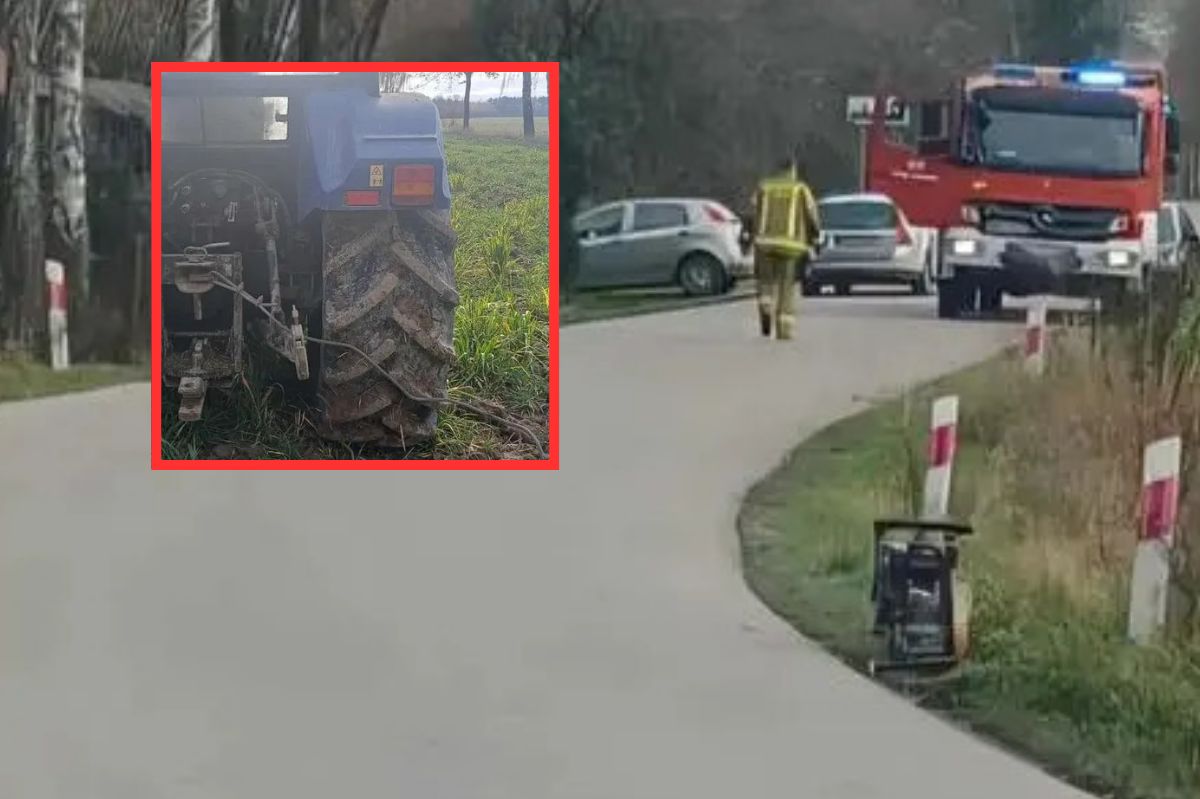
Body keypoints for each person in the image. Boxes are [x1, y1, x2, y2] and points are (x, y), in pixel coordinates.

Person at [750, 152, 822, 340]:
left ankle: (765, 306)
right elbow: (812, 214)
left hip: (765, 243)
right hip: (790, 245)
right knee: (786, 286)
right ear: (792, 169)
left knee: (765, 281)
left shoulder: (764, 187)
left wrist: (750, 237)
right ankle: (784, 330)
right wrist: (815, 236)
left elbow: (753, 211)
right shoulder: (800, 188)